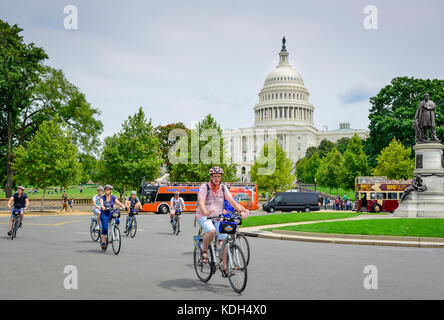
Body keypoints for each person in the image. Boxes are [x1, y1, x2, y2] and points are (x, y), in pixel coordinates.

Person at [196, 166, 249, 277]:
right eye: (214, 176)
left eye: (218, 176)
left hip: (218, 217)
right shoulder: (205, 187)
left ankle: (225, 268)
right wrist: (205, 212)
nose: (216, 178)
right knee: (211, 231)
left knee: (224, 240)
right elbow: (201, 202)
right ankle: (204, 251)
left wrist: (241, 210)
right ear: (211, 177)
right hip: (204, 215)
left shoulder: (223, 188)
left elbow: (232, 201)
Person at [99, 185, 126, 249]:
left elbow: (118, 202)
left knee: (117, 220)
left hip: (111, 213)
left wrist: (122, 205)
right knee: (105, 228)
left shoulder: (113, 197)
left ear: (111, 190)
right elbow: (101, 203)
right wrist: (102, 206)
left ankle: (113, 230)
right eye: (105, 189)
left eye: (107, 189)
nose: (106, 190)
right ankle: (103, 242)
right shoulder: (102, 197)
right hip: (104, 214)